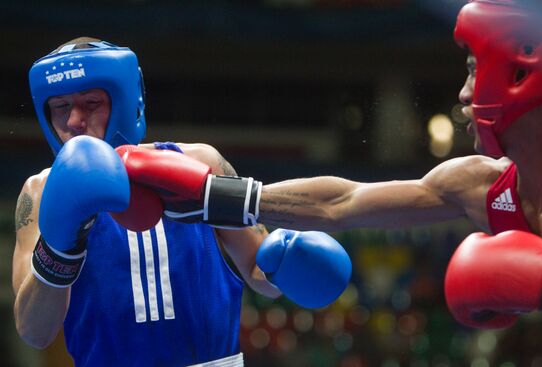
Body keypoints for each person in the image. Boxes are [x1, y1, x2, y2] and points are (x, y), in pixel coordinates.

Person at [122, 0, 542, 330]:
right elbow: (343, 202)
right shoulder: (480, 186)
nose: (462, 94)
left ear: (517, 77)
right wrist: (216, 197)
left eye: (474, 72)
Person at [12, 37, 352, 367]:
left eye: (91, 103)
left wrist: (289, 264)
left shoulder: (200, 162)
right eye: (60, 107)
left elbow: (257, 272)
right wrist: (58, 251)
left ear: (126, 100)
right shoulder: (39, 192)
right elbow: (34, 332)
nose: (74, 121)